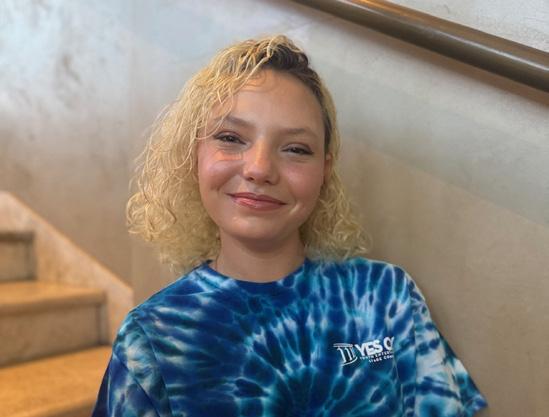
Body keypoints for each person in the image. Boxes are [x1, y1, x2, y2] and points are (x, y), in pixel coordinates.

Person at [91, 34, 487, 417]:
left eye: (296, 148)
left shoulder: (385, 296)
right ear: (194, 154)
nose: (260, 168)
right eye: (231, 138)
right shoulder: (151, 337)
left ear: (324, 171)